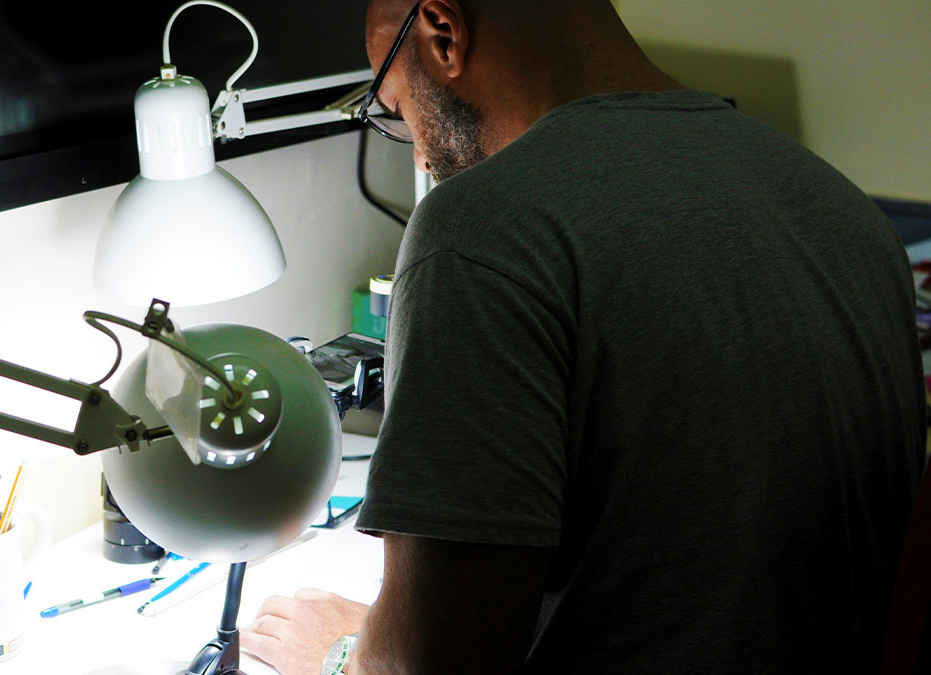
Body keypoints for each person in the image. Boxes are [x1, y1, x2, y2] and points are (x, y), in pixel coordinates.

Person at [241, 0, 926, 672]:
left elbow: (436, 662)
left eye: (395, 109)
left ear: (443, 33)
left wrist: (338, 656)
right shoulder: (842, 209)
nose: (419, 150)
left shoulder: (484, 231)